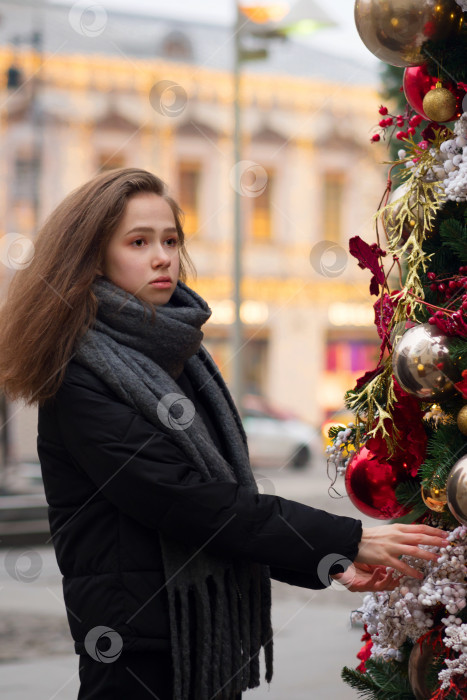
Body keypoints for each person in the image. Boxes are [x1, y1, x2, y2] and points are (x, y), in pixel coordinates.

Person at [0, 168, 448, 700]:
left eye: (170, 240)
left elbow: (228, 507)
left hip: (201, 640)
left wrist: (333, 563)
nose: (162, 256)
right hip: (134, 649)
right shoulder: (81, 373)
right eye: (138, 242)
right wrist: (349, 539)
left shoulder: (180, 357)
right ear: (93, 257)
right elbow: (188, 500)